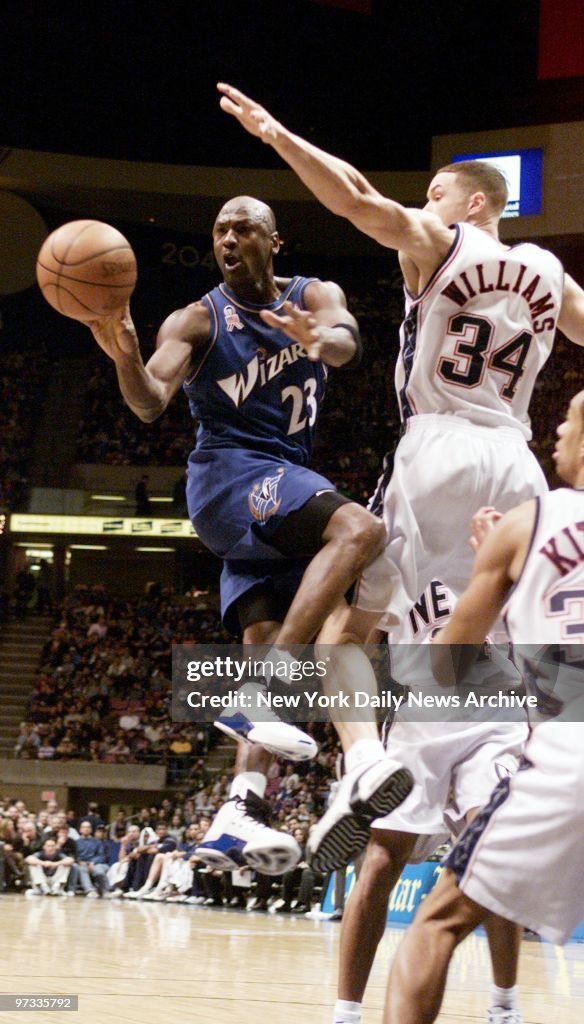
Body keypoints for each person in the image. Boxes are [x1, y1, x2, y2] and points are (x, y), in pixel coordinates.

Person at [217, 82, 584, 868]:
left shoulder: (442, 241)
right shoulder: (548, 272)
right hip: (518, 462)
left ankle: (364, 764)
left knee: (347, 626)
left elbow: (353, 198)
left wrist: (280, 134)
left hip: (439, 446)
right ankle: (494, 783)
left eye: (438, 190)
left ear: (476, 205)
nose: (427, 198)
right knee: (493, 640)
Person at [87, 195, 412, 877]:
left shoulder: (313, 293)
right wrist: (122, 352)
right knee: (360, 530)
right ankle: (272, 695)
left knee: (276, 631)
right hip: (230, 478)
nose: (229, 239)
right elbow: (149, 402)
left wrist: (320, 339)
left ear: (275, 240)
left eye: (243, 229)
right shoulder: (197, 318)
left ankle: (240, 806)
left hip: (277, 489)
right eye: (220, 231)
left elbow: (347, 340)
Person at [382, 391, 584, 1024]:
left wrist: (493, 579)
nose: (557, 427)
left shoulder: (529, 523)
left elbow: (447, 667)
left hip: (566, 764)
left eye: (573, 419)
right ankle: (505, 1006)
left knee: (435, 926)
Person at [332, 579, 527, 1024]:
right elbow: (353, 643)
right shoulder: (394, 540)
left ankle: (504, 1007)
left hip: (495, 714)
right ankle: (345, 1013)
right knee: (380, 862)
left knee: (493, 854)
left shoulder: (509, 530)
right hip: (418, 718)